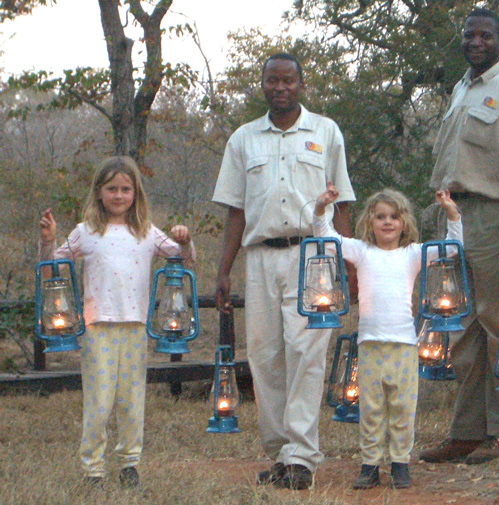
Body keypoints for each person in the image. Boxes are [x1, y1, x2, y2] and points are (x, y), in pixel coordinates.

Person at [212, 52, 355, 490]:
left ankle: (301, 457)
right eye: (272, 80)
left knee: (306, 352)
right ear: (262, 85)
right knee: (265, 355)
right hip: (260, 257)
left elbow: (342, 202)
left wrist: (346, 261)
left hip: (313, 255)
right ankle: (278, 453)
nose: (280, 88)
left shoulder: (326, 132)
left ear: (301, 84)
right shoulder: (243, 138)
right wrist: (223, 270)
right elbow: (235, 210)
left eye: (288, 80)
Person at [422, 7, 499, 465]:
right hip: (453, 217)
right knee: (460, 329)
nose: (476, 41)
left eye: (485, 35)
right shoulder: (460, 88)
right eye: (469, 34)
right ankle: (467, 432)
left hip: (494, 217)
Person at [39, 156, 196, 487]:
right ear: (99, 192)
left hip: (136, 327)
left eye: (126, 189)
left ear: (135, 193)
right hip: (99, 328)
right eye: (112, 189)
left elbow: (183, 258)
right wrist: (49, 239)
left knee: (131, 400)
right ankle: (92, 469)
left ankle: (129, 464)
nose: (119, 195)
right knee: (99, 402)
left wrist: (184, 238)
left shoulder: (147, 232)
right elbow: (52, 265)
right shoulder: (86, 232)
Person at [313, 183, 462, 489]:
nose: (387, 222)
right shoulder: (362, 251)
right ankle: (369, 465)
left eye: (394, 216)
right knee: (371, 408)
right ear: (370, 222)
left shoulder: (413, 254)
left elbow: (453, 247)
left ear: (404, 221)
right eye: (380, 217)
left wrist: (452, 214)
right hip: (370, 344)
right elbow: (328, 240)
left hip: (404, 346)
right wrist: (321, 209)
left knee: (402, 408)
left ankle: (399, 463)